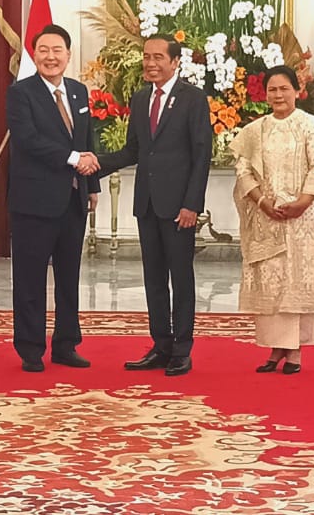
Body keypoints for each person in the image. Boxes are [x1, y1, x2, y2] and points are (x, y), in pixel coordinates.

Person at [96, 35, 211, 376]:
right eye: (147, 57)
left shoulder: (193, 98)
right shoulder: (141, 98)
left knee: (181, 279)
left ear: (175, 62)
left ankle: (182, 350)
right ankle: (161, 346)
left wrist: (192, 204)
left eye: (158, 57)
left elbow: (201, 155)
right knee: (154, 279)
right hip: (147, 204)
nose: (151, 63)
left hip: (179, 208)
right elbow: (134, 150)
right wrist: (95, 163)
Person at [6, 24, 100, 372]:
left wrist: (93, 186)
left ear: (68, 54)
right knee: (30, 279)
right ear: (34, 55)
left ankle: (66, 344)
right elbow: (27, 139)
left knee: (68, 277)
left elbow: (87, 139)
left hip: (73, 199)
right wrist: (74, 159)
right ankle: (31, 349)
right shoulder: (21, 93)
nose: (50, 57)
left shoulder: (78, 91)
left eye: (57, 50)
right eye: (43, 50)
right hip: (33, 202)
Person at [229, 64, 314, 375]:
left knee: (295, 281)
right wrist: (262, 201)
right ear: (265, 94)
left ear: (297, 91)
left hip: (301, 220)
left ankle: (295, 350)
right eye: (272, 89)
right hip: (266, 217)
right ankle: (275, 347)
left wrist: (302, 203)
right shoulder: (254, 130)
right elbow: (243, 171)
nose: (278, 95)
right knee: (271, 284)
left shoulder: (310, 126)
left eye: (284, 88)